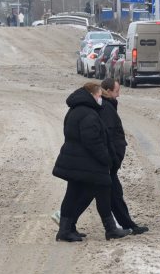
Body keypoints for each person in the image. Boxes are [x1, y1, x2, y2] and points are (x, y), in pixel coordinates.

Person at [53, 82, 131, 242]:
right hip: (89, 162)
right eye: (98, 96)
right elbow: (93, 141)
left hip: (75, 161)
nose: (100, 99)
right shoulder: (88, 113)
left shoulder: (75, 110)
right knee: (103, 189)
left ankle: (65, 229)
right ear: (92, 96)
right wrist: (107, 159)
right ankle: (110, 229)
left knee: (72, 194)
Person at [100, 77, 148, 234]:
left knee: (111, 194)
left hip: (107, 162)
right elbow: (109, 137)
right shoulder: (106, 109)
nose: (118, 95)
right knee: (109, 195)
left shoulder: (107, 106)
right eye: (117, 91)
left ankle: (127, 225)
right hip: (107, 162)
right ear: (108, 91)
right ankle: (64, 220)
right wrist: (113, 158)